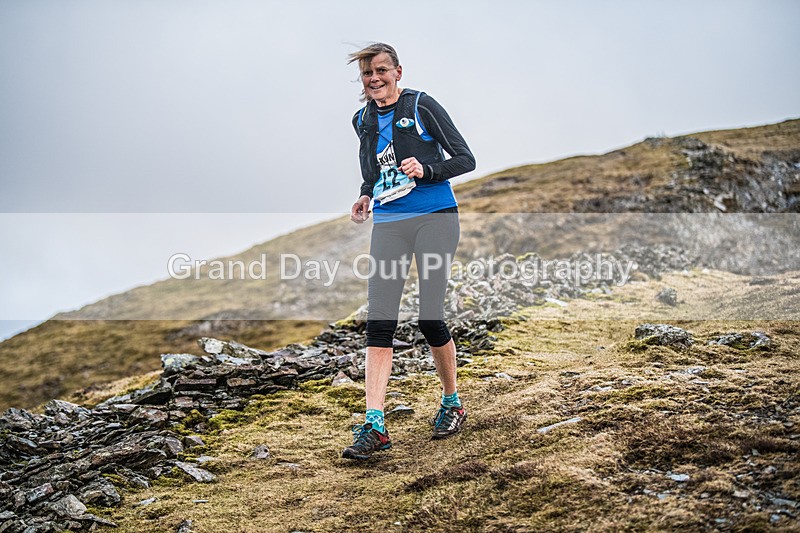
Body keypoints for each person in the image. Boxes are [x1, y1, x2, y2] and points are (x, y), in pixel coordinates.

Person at [342, 43, 476, 460]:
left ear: (398, 71)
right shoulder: (361, 119)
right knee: (379, 323)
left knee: (430, 317)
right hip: (389, 224)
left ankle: (452, 401)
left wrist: (427, 170)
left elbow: (465, 159)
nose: (374, 78)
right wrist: (365, 196)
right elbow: (372, 171)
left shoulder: (422, 106)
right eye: (367, 74)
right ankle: (374, 424)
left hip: (435, 217)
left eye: (382, 70)